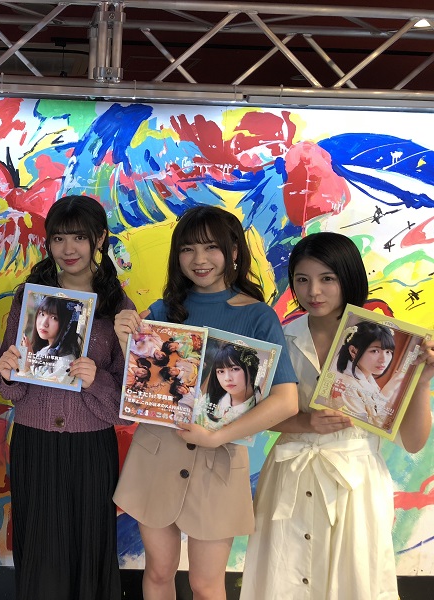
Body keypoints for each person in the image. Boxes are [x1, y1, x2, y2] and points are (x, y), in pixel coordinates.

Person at [113, 205, 298, 600]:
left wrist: (217, 436)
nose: (199, 259)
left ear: (234, 251)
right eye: (188, 249)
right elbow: (138, 387)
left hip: (219, 461)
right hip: (156, 455)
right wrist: (124, 339)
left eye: (211, 247)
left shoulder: (259, 317)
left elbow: (286, 401)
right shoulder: (162, 311)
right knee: (158, 572)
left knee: (206, 584)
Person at [240, 232, 434, 600]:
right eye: (302, 279)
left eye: (327, 278)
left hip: (355, 481)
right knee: (283, 578)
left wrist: (422, 381)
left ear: (348, 278)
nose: (313, 291)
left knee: (353, 581)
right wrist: (305, 423)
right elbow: (253, 412)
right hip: (290, 474)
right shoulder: (280, 338)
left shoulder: (391, 345)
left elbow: (414, 441)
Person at [0, 194, 134, 600]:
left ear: (100, 239)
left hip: (91, 447)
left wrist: (96, 380)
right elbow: (9, 386)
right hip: (35, 442)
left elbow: (128, 404)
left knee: (89, 548)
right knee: (40, 551)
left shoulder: (120, 308)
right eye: (58, 238)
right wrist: (8, 369)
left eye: (79, 237)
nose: (68, 249)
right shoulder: (29, 298)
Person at [330, 321, 404, 429]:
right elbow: (363, 429)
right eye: (375, 351)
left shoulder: (368, 380)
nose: (383, 359)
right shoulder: (347, 386)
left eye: (388, 352)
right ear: (353, 351)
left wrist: (391, 387)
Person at [19, 295, 83, 385]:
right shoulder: (44, 350)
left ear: (67, 323)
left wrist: (26, 367)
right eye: (42, 314)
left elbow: (44, 391)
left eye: (54, 318)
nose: (44, 323)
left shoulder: (65, 361)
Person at [194, 343, 261, 429]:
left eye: (235, 369)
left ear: (251, 371)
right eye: (221, 371)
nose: (227, 378)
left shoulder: (262, 407)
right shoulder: (206, 400)